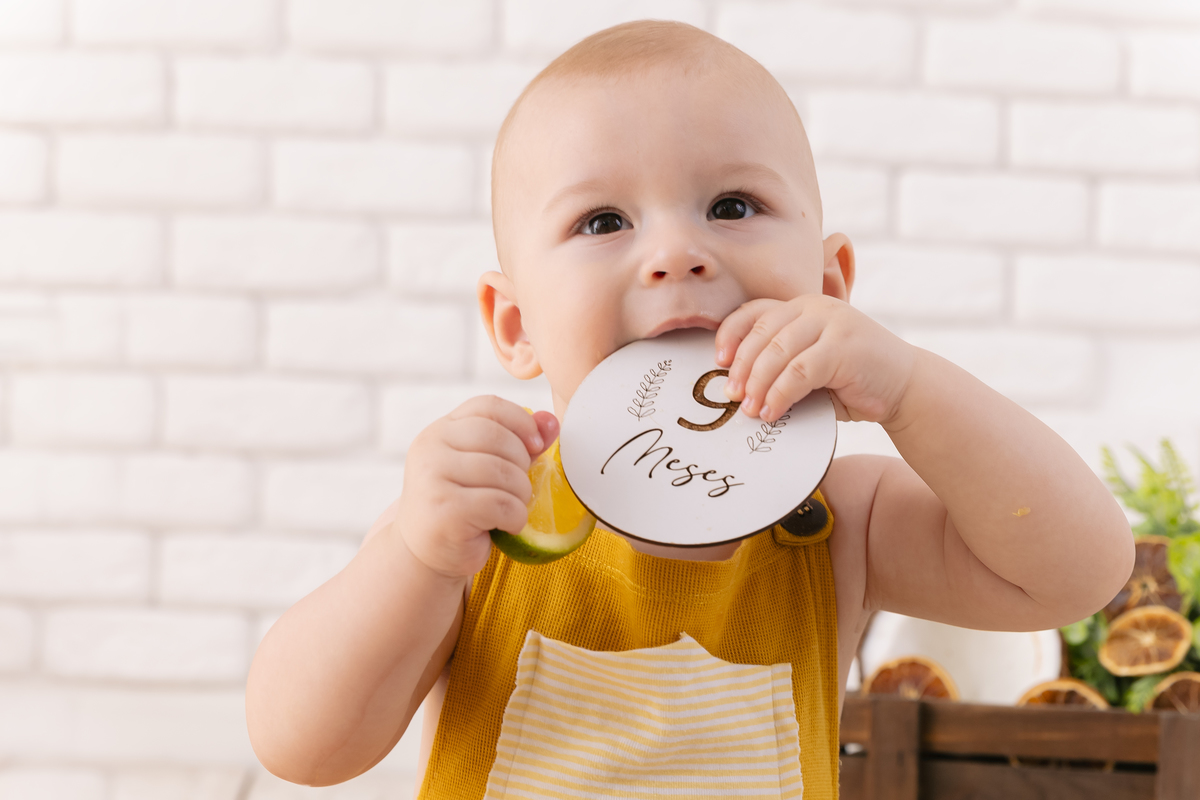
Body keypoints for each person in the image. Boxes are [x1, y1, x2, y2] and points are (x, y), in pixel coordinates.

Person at [245, 20, 1133, 800]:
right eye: (602, 222)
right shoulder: (481, 518)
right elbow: (301, 749)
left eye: (732, 205)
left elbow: (1077, 573)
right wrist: (416, 558)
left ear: (827, 286)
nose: (677, 253)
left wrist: (909, 388)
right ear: (517, 327)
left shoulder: (840, 523)